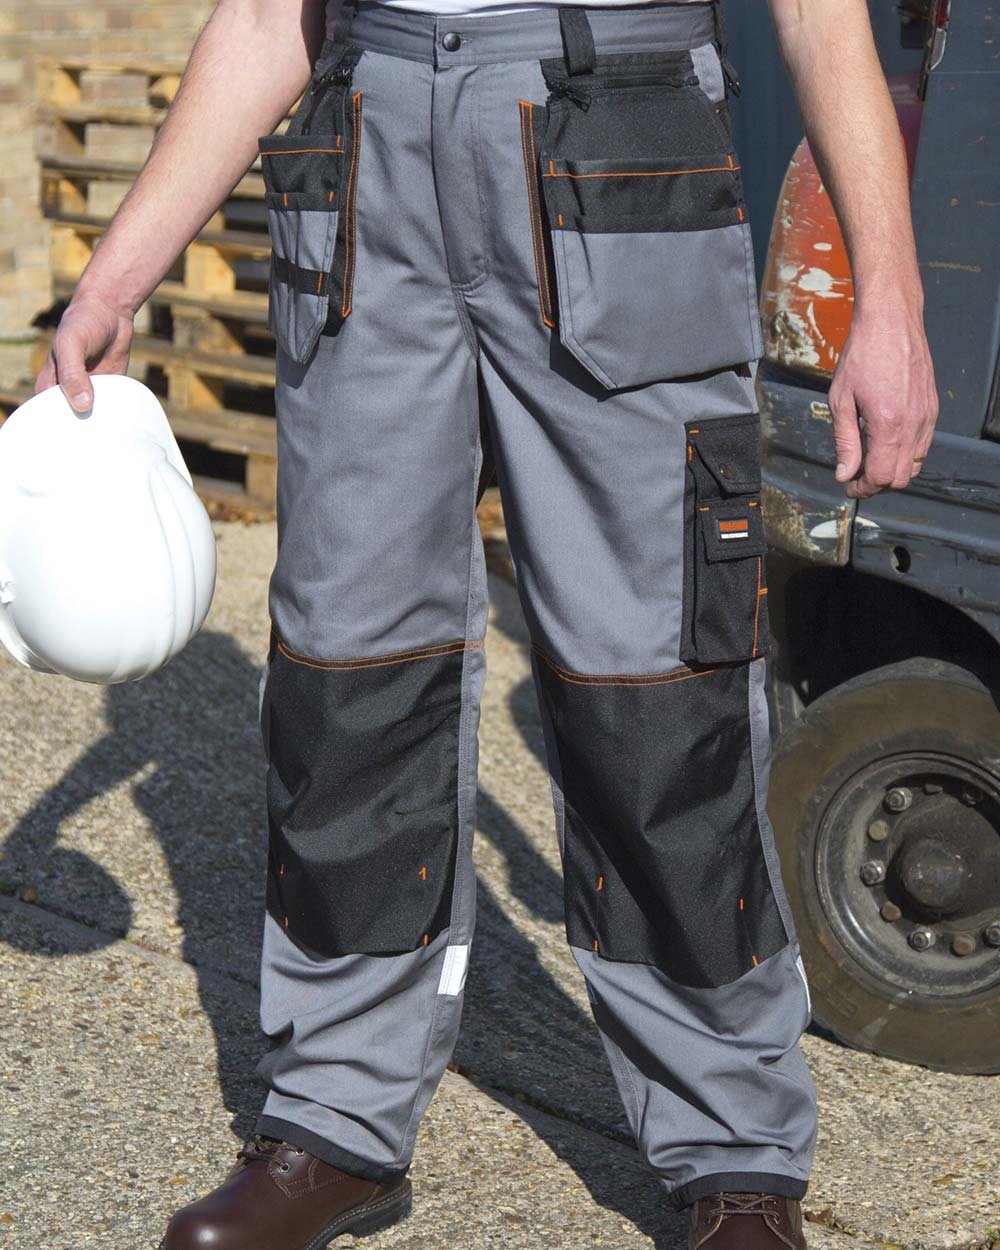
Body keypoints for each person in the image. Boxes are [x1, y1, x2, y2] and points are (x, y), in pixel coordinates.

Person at [35, 0, 938, 1246]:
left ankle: (736, 1148)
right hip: (365, 151)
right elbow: (265, 15)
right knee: (348, 672)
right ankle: (334, 1115)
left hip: (615, 141)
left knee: (656, 685)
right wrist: (113, 280)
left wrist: (888, 297)